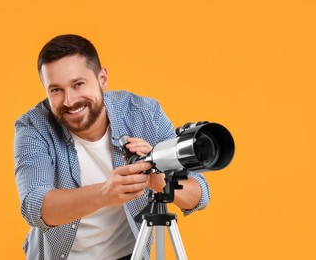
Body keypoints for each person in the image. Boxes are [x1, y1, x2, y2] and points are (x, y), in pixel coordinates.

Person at [14, 34, 210, 260]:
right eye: (56, 90)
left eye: (78, 84)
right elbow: (35, 207)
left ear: (102, 78)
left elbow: (199, 195)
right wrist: (105, 193)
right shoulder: (33, 126)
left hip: (129, 254)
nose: (69, 100)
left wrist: (157, 178)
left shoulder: (143, 113)